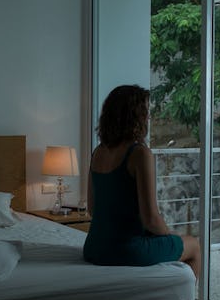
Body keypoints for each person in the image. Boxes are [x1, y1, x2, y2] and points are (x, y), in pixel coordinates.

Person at [83, 84, 201, 278]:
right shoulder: (139, 153)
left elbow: (92, 209)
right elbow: (151, 218)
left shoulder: (98, 152)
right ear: (135, 116)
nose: (148, 117)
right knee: (194, 245)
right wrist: (167, 236)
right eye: (145, 111)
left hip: (94, 248)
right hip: (125, 250)